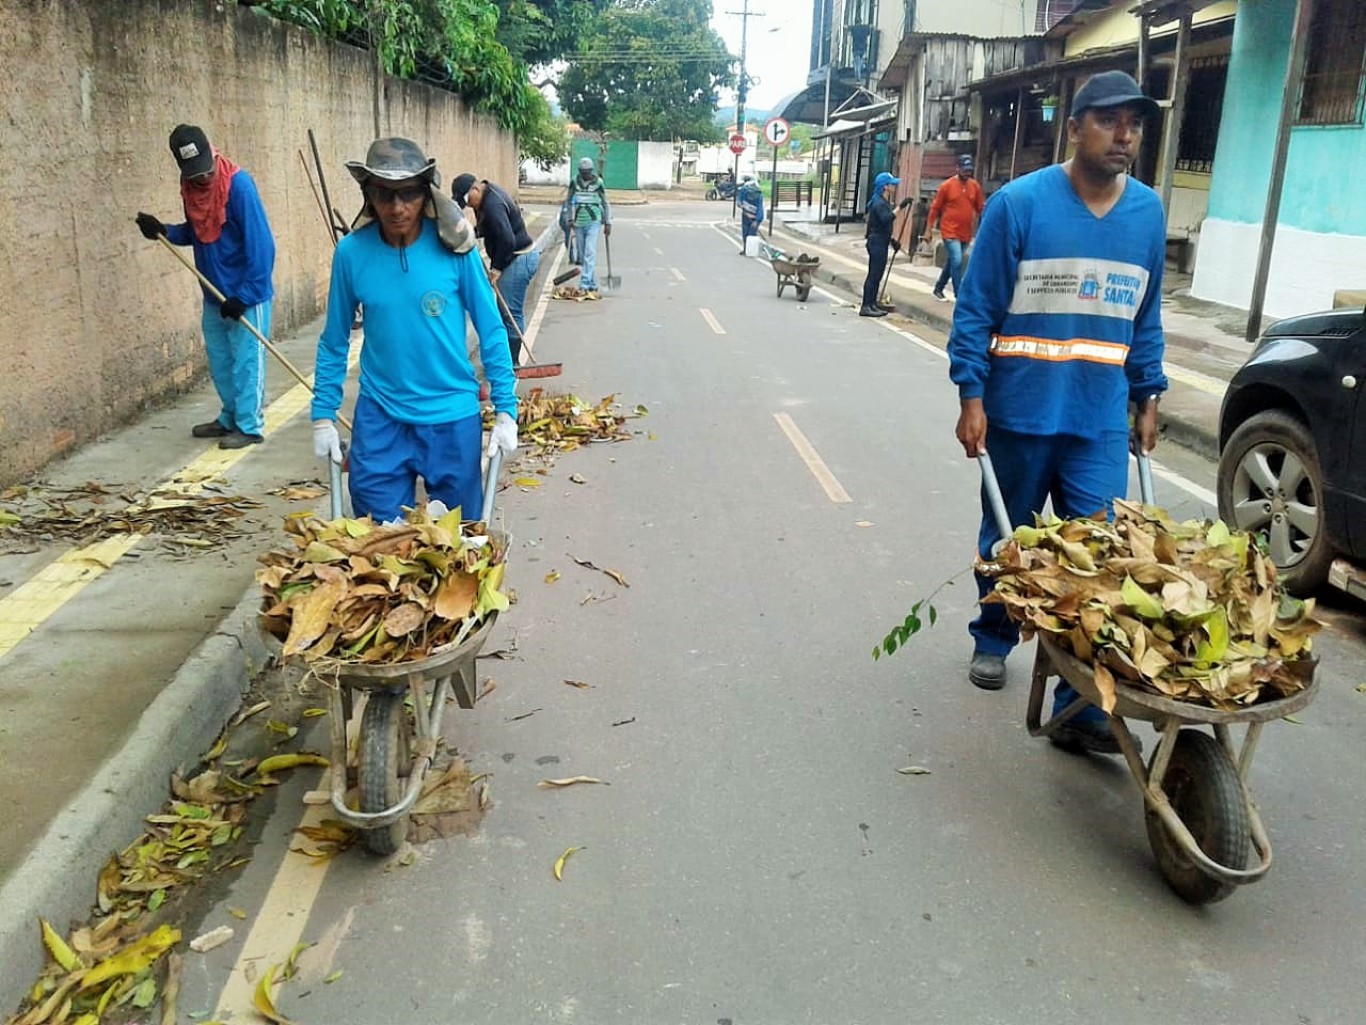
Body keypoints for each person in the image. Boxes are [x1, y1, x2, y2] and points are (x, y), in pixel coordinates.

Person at [946, 70, 1167, 755]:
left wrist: (1148, 392)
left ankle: (1079, 701)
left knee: (1098, 560)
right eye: (1108, 120)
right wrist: (970, 395)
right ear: (1075, 128)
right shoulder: (1019, 206)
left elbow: (1146, 312)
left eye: (1133, 122)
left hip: (1099, 418)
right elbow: (977, 309)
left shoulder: (1147, 214)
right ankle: (993, 637)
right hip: (1018, 410)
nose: (1124, 134)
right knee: (1008, 541)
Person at [310, 138, 518, 523]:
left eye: (408, 194)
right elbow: (335, 339)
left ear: (425, 194)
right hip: (381, 416)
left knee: (456, 546)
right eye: (384, 195)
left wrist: (506, 408)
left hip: (451, 416)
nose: (397, 207)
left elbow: (491, 330)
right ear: (368, 195)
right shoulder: (352, 253)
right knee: (377, 541)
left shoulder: (457, 250)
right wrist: (323, 414)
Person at [135, 124, 275, 449]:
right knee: (221, 361)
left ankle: (249, 426)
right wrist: (164, 231)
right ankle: (230, 417)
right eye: (195, 174)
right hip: (214, 294)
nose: (204, 178)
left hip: (244, 296)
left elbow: (263, 246)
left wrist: (246, 295)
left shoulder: (239, 186)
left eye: (206, 170)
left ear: (212, 152)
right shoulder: (190, 188)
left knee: (247, 363)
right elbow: (198, 232)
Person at [451, 173, 540, 365]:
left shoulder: (492, 206)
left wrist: (497, 269)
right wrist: (471, 232)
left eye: (467, 200)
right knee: (504, 310)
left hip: (518, 258)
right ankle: (507, 360)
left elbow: (507, 240)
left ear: (475, 189)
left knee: (510, 312)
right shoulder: (487, 194)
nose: (468, 206)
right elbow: (491, 228)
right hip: (515, 257)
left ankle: (513, 363)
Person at [924, 154, 985, 303]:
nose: (967, 172)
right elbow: (935, 209)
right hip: (949, 230)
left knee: (953, 262)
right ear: (957, 168)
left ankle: (939, 288)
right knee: (957, 260)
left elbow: (980, 209)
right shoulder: (947, 186)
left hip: (965, 232)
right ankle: (960, 294)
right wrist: (928, 229)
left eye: (969, 170)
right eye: (964, 169)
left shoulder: (975, 186)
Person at [566, 157, 611, 298]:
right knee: (582, 254)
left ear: (591, 171)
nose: (585, 175)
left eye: (587, 172)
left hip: (594, 220)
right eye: (582, 172)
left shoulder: (598, 183)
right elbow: (568, 201)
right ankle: (591, 283)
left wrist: (608, 222)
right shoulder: (574, 181)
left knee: (589, 252)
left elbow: (605, 203)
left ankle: (584, 284)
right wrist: (569, 218)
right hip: (578, 222)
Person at [859, 171, 900, 318]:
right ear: (885, 187)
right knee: (874, 275)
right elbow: (886, 219)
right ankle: (866, 306)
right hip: (876, 242)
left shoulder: (883, 201)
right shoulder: (879, 203)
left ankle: (872, 304)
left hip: (881, 241)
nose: (894, 187)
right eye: (892, 184)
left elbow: (882, 227)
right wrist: (901, 207)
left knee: (878, 275)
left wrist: (892, 241)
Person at [737, 175, 764, 255]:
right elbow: (739, 202)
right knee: (745, 233)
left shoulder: (758, 195)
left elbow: (760, 209)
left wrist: (756, 220)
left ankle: (750, 250)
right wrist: (743, 208)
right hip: (746, 215)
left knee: (751, 233)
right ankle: (746, 249)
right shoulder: (744, 190)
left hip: (754, 217)